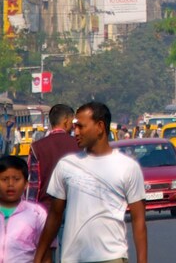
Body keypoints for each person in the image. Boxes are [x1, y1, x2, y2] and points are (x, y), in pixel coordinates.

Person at [33, 102, 148, 263]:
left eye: (81, 126)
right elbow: (55, 216)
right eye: (74, 127)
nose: (76, 132)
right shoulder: (66, 165)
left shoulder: (127, 167)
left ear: (100, 127)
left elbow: (138, 220)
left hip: (111, 257)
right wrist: (38, 257)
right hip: (72, 258)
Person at [27, 104, 80, 208]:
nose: (73, 126)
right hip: (73, 209)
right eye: (72, 122)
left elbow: (33, 185)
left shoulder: (36, 147)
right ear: (66, 121)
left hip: (45, 209)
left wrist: (30, 211)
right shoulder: (78, 145)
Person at [0, 155, 46, 263]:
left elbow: (46, 255)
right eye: (4, 179)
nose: (10, 184)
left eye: (16, 179)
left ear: (26, 184)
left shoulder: (37, 214)